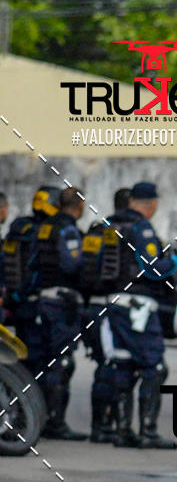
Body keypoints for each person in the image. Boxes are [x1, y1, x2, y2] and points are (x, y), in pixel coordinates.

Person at [100, 182, 177, 448]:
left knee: (123, 364)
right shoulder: (142, 227)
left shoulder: (110, 224)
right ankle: (148, 432)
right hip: (139, 307)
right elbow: (153, 270)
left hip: (114, 302)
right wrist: (176, 261)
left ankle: (122, 430)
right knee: (155, 367)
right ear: (152, 203)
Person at [28, 187, 89, 440]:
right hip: (61, 303)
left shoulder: (44, 227)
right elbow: (72, 263)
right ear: (79, 205)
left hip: (41, 300)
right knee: (62, 362)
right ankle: (56, 423)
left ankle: (36, 419)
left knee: (41, 362)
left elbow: (31, 262)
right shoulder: (68, 229)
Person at [81, 187, 131, 442]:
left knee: (106, 364)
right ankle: (101, 427)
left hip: (89, 305)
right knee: (111, 367)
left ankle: (103, 425)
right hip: (110, 308)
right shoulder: (126, 231)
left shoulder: (97, 229)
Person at [1, 187, 61, 376]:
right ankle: (33, 403)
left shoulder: (17, 230)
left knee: (23, 358)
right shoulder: (41, 232)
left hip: (15, 302)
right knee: (43, 361)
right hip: (34, 304)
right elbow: (35, 270)